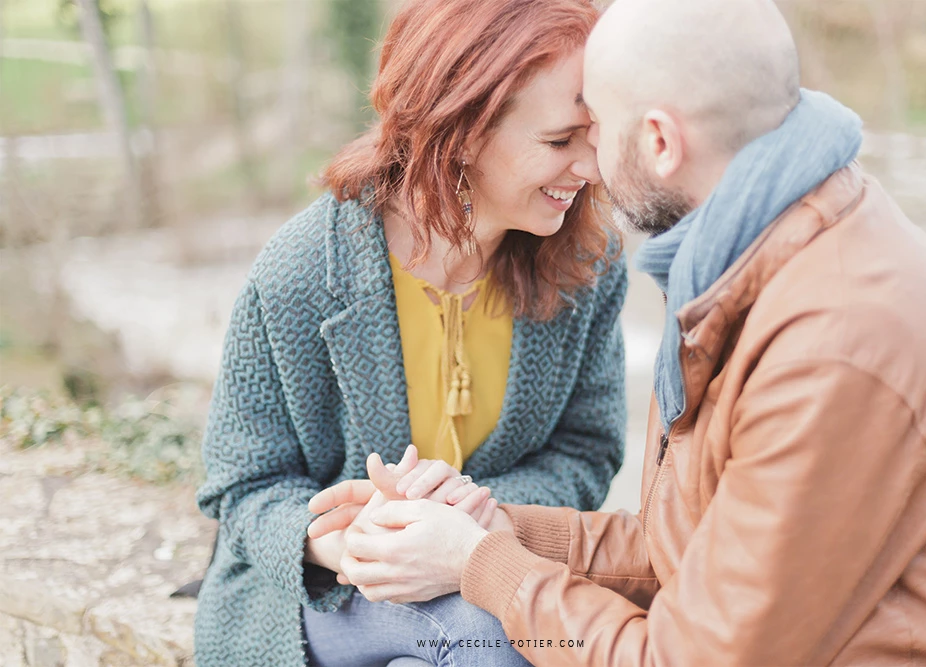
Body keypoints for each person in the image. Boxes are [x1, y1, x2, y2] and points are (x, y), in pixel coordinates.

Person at [316, 0, 926, 664]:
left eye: (597, 129)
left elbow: (687, 655)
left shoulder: (834, 347)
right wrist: (499, 528)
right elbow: (688, 552)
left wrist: (477, 563)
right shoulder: (756, 258)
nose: (589, 167)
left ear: (660, 142)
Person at [193, 0, 629, 665]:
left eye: (595, 136)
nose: (591, 167)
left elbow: (587, 452)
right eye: (560, 140)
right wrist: (340, 540)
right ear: (462, 129)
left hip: (493, 565)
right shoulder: (301, 271)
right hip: (333, 594)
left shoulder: (589, 269)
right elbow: (242, 484)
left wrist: (478, 516)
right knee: (500, 640)